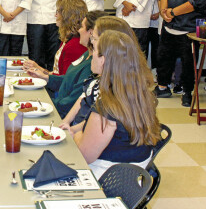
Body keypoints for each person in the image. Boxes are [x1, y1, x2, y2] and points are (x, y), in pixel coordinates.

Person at [68, 30, 161, 179]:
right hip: (129, 180)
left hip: (103, 179)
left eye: (94, 50)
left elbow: (84, 155)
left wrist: (76, 134)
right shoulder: (139, 94)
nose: (91, 55)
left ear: (103, 60)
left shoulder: (108, 105)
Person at [60, 16, 141, 126]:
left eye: (94, 39)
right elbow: (83, 97)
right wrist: (66, 122)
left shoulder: (115, 96)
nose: (91, 41)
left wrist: (72, 131)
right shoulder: (101, 78)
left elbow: (91, 128)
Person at [25, 10, 106, 118]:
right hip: (59, 105)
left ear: (91, 33)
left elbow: (71, 102)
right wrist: (46, 77)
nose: (79, 30)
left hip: (61, 113)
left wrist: (43, 105)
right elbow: (69, 80)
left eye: (82, 27)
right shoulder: (87, 54)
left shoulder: (93, 64)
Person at [24, 0, 89, 76]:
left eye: (57, 12)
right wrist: (37, 68)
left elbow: (65, 81)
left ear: (66, 16)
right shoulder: (67, 40)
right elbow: (56, 74)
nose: (55, 15)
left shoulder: (74, 45)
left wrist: (42, 76)